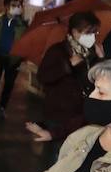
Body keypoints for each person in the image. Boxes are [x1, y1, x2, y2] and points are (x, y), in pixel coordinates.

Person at [31, 11, 103, 143]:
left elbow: (98, 79)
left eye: (95, 33)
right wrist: (68, 66)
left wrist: (101, 59)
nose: (92, 37)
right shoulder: (58, 51)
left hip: (81, 115)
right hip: (59, 114)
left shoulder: (92, 53)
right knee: (55, 155)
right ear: (75, 32)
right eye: (88, 33)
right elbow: (43, 76)